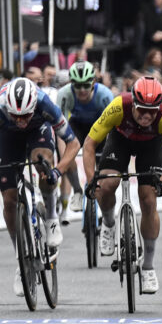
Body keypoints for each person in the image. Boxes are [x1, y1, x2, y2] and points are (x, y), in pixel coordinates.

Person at [0, 78, 80, 296]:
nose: (20, 121)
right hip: (7, 136)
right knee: (9, 200)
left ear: (33, 107)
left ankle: (51, 218)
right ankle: (20, 261)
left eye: (25, 116)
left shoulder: (45, 104)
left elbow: (73, 144)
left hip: (38, 130)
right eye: (16, 116)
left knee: (42, 162)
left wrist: (57, 171)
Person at [83, 77, 162, 293]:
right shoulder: (119, 106)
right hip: (120, 141)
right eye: (142, 111)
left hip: (151, 146)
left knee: (148, 200)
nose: (147, 116)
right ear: (134, 104)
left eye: (152, 111)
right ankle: (109, 224)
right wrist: (92, 179)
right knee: (106, 184)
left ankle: (148, 266)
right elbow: (90, 144)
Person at [57, 61, 115, 217]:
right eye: (77, 85)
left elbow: (113, 128)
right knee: (66, 156)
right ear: (71, 83)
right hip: (77, 126)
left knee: (103, 163)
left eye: (86, 85)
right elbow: (60, 130)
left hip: (101, 128)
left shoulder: (105, 95)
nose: (82, 90)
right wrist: (65, 158)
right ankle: (77, 191)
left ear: (93, 82)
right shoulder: (64, 95)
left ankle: (103, 200)